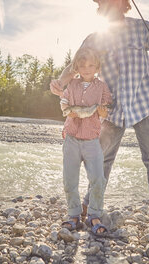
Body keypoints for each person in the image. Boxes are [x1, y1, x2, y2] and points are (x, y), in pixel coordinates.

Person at [50, 0, 149, 246]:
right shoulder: (95, 37)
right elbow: (74, 67)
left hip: (144, 105)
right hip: (109, 110)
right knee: (101, 162)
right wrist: (60, 83)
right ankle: (88, 208)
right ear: (100, 5)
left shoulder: (143, 27)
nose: (109, 2)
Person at [60, 46, 112, 236]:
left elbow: (106, 106)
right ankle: (74, 214)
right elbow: (63, 102)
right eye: (82, 66)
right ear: (77, 68)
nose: (87, 69)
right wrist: (67, 110)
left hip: (92, 140)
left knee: (98, 179)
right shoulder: (72, 85)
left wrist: (103, 111)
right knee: (70, 180)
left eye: (91, 65)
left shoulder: (102, 87)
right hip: (71, 138)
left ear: (97, 67)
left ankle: (94, 215)